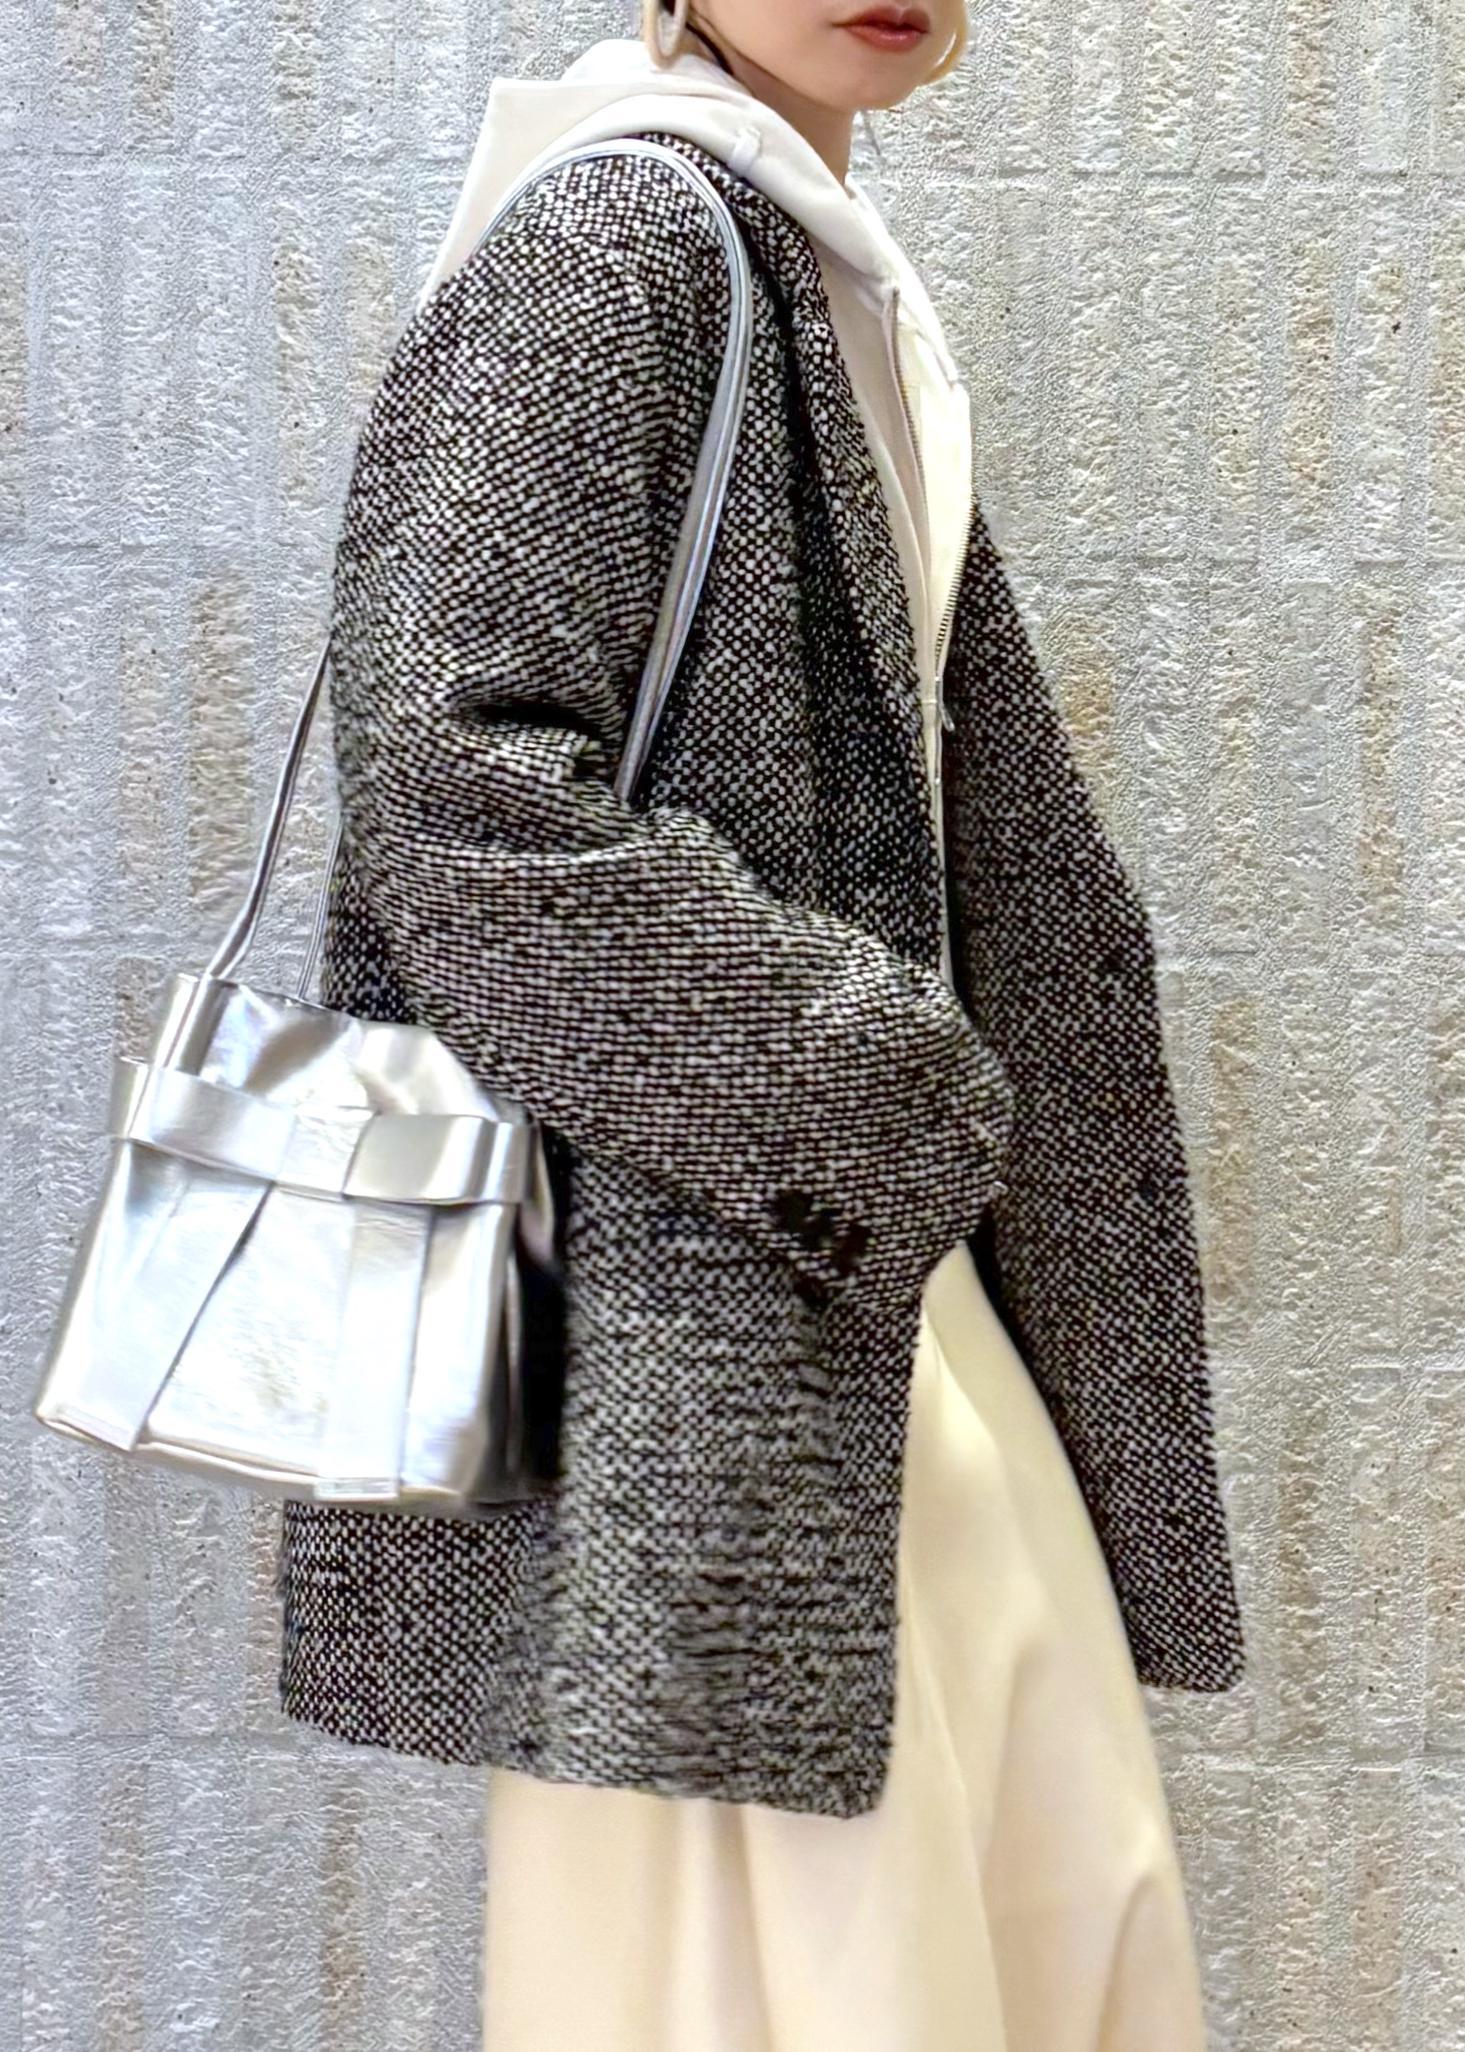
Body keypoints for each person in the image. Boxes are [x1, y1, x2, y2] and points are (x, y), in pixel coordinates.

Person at [273, 2, 1247, 2044]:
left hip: (854, 1290)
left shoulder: (807, 253)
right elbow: (450, 786)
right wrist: (878, 1087)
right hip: (717, 1333)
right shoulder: (615, 239)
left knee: (1017, 1922)